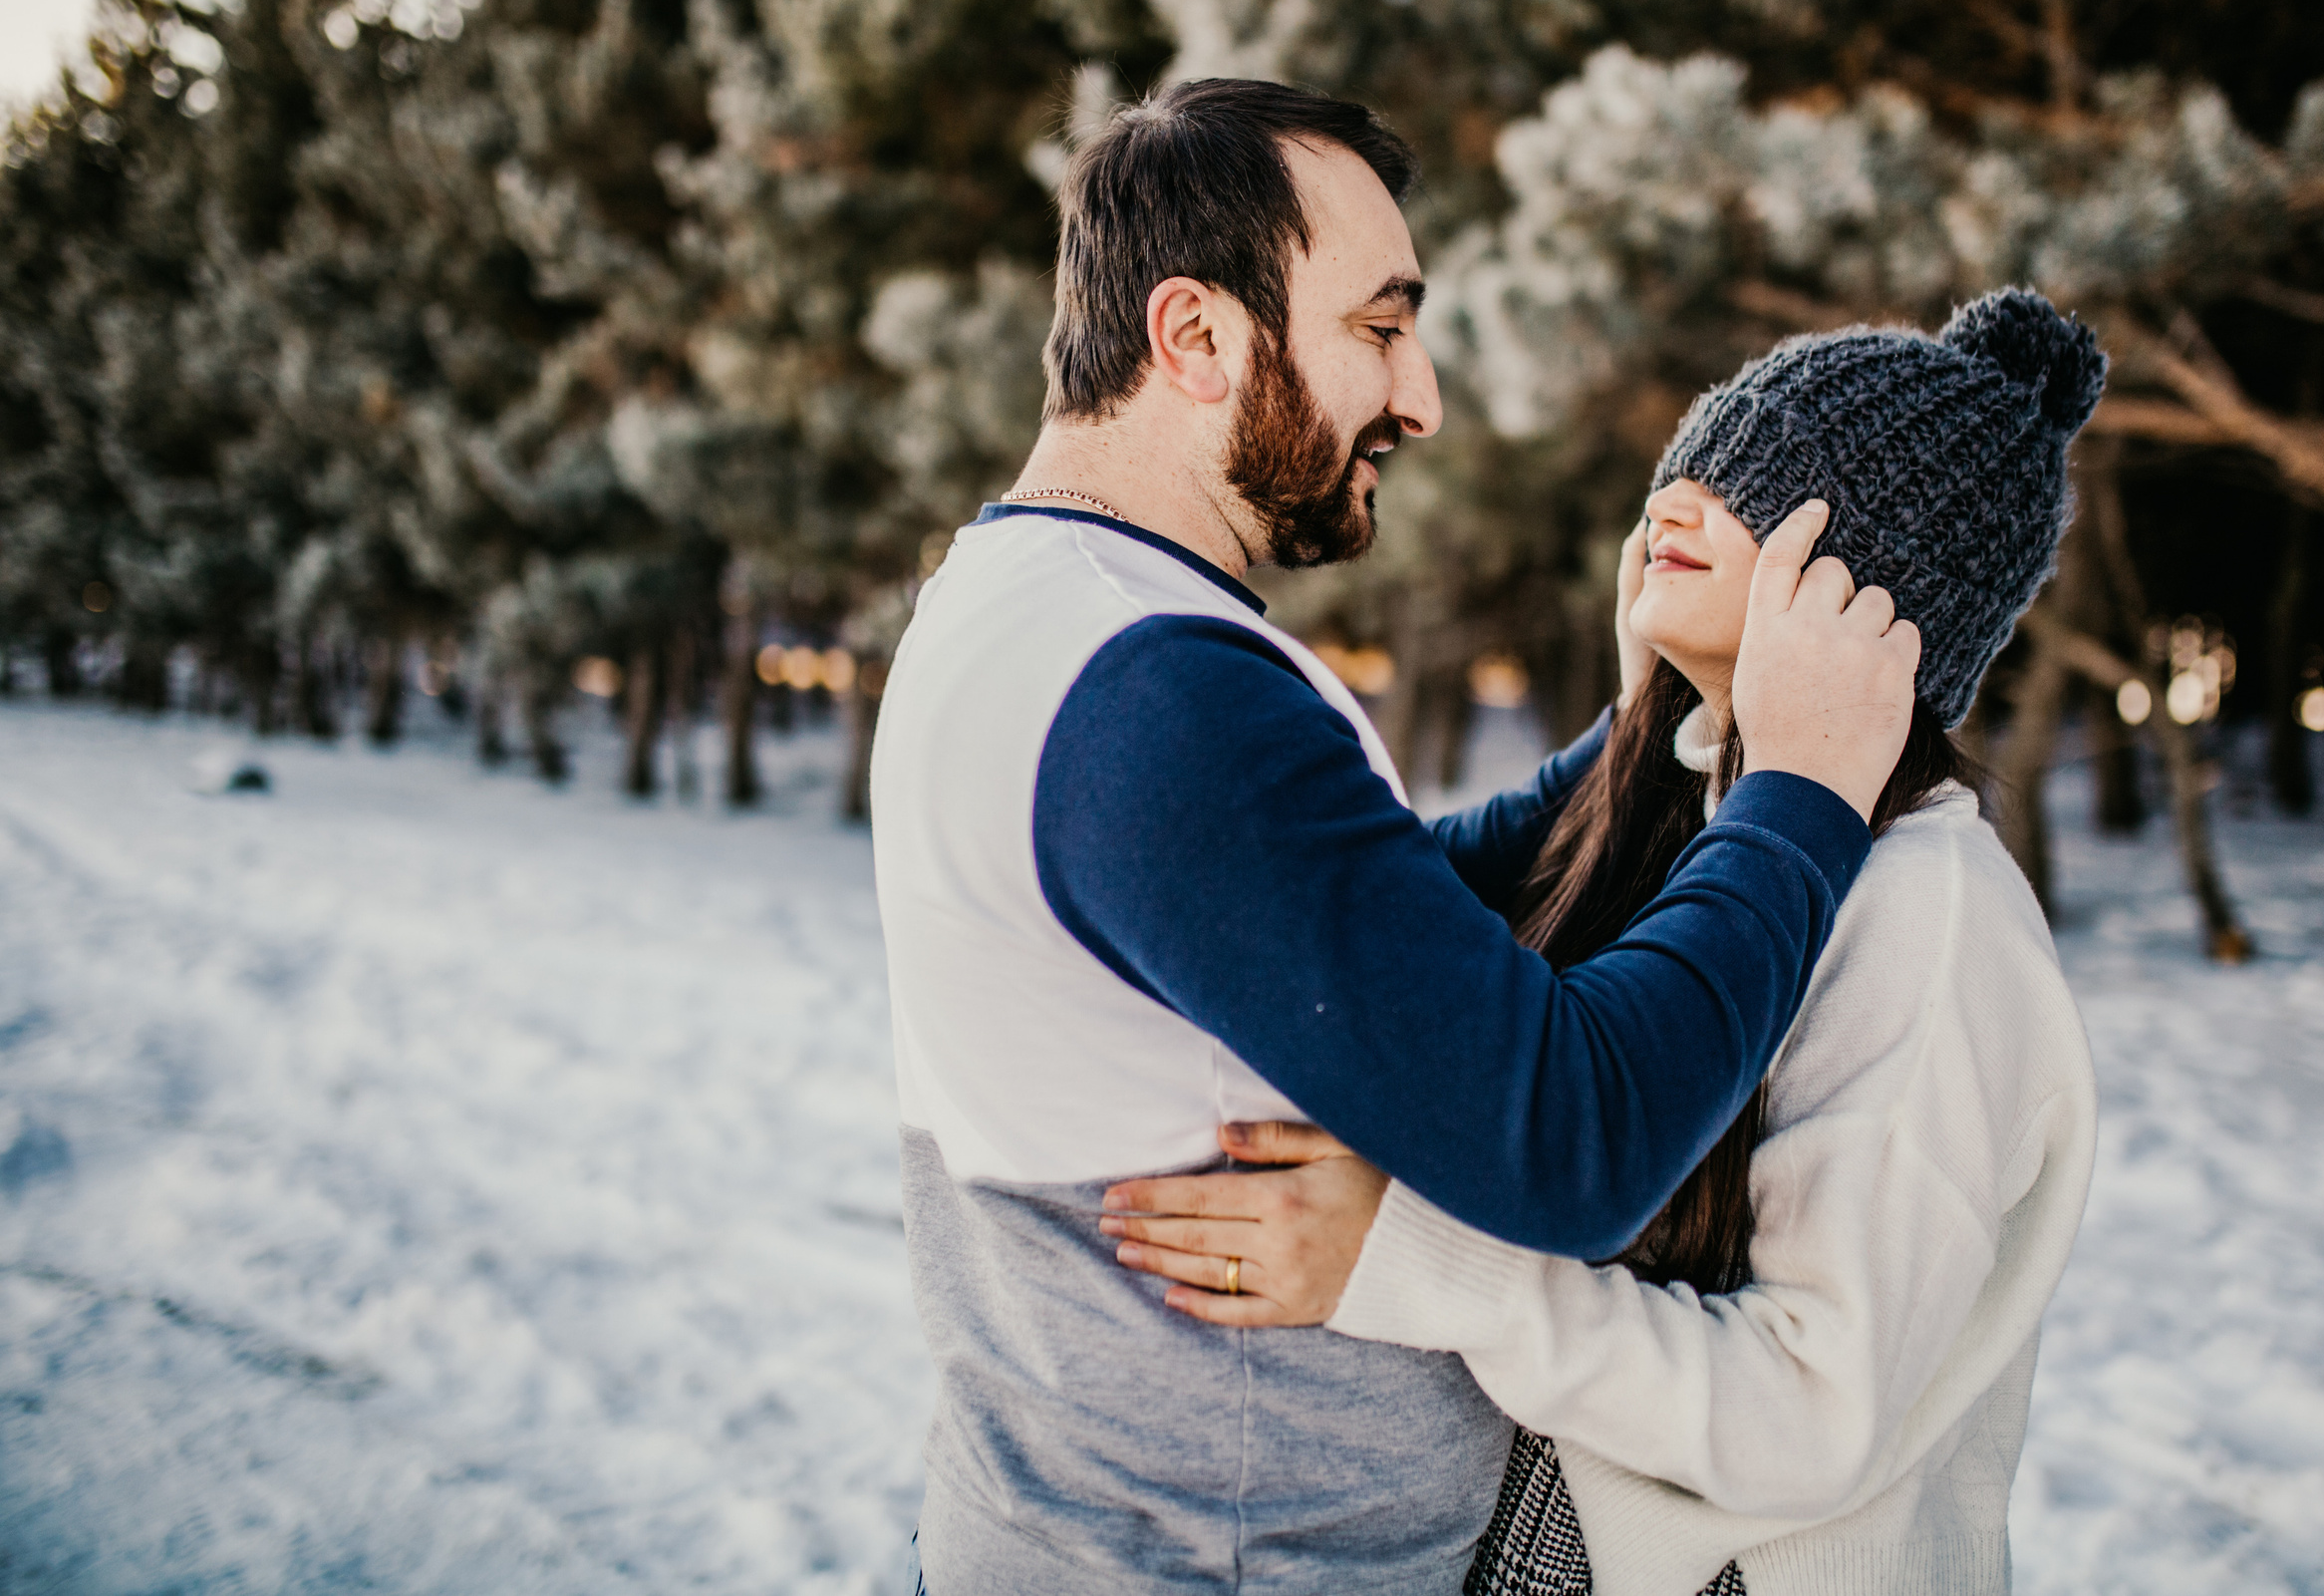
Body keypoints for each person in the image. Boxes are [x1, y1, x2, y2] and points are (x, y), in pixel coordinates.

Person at [869, 77, 1919, 1592]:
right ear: (1197, 337)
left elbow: (1367, 915)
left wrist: (1649, 731)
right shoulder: (1162, 699)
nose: (1419, 396)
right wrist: (1806, 795)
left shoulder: (1029, 607)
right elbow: (1574, 1139)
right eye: (1378, 327)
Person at [1104, 291, 2106, 1595]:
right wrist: (1647, 708)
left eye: (1757, 485)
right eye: (1689, 462)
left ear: (1877, 581)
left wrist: (1406, 1259)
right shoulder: (1711, 817)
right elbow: (1430, 915)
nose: (1674, 501)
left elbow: (1806, 1414)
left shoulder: (1927, 916)